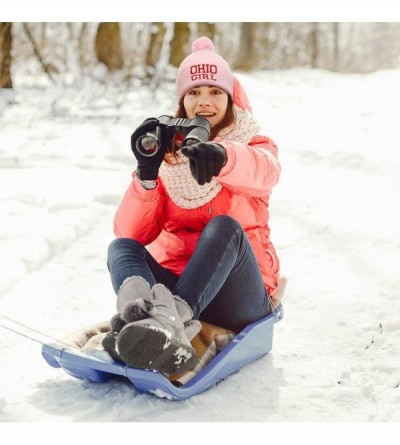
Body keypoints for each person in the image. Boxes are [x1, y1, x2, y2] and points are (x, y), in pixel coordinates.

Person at [103, 36, 281, 375]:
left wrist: (224, 157)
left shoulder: (254, 144)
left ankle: (172, 323)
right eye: (194, 92)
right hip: (180, 284)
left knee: (225, 228)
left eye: (215, 92)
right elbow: (132, 232)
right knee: (121, 247)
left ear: (230, 99)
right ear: (181, 102)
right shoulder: (170, 155)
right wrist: (147, 176)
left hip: (239, 296)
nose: (204, 102)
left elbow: (265, 171)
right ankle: (140, 321)